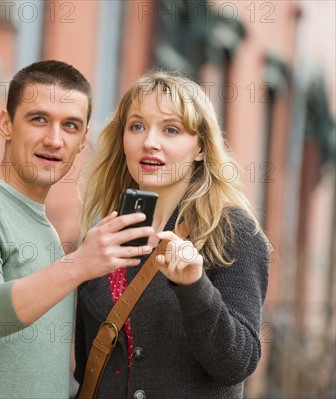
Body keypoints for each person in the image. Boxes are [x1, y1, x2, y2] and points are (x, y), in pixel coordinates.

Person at [0, 60, 155, 398]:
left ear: (83, 140)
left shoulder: (45, 230)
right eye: (39, 119)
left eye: (70, 126)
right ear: (6, 124)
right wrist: (79, 265)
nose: (54, 139)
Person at [74, 71, 270, 398]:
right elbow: (87, 370)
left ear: (201, 149)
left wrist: (195, 287)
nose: (150, 141)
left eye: (171, 129)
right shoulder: (104, 235)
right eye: (137, 126)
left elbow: (237, 362)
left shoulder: (233, 233)